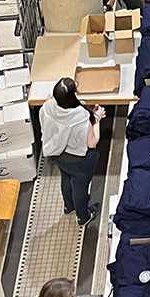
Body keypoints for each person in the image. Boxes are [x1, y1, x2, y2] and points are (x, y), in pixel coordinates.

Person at [39, 77, 104, 227]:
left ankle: (69, 206)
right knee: (80, 186)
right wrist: (98, 119)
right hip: (78, 159)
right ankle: (83, 216)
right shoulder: (80, 117)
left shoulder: (47, 107)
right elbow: (92, 143)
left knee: (66, 178)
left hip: (57, 154)